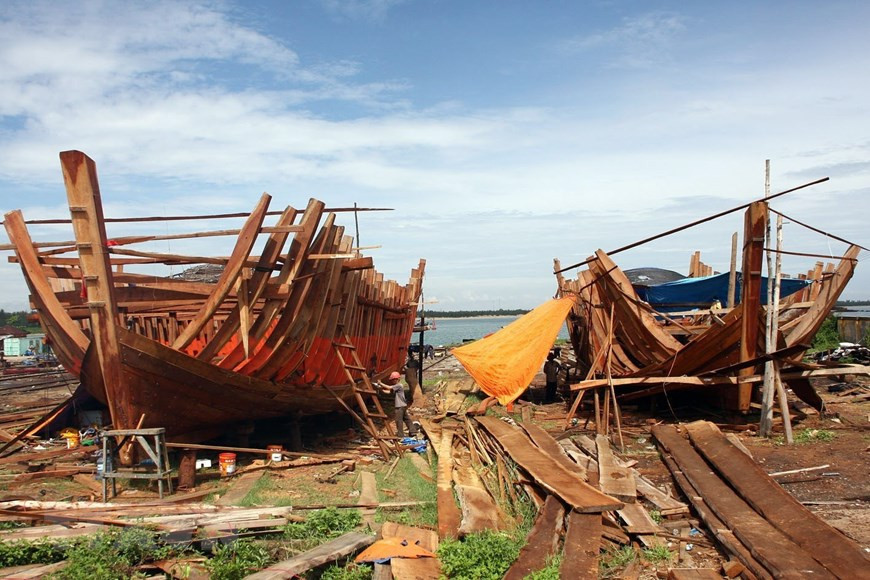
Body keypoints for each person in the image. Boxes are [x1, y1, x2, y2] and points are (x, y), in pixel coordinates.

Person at [379, 371, 418, 438]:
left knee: (398, 420)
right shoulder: (397, 387)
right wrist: (380, 389)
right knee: (406, 419)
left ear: (397, 379)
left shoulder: (399, 385)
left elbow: (389, 388)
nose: (392, 382)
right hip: (403, 405)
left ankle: (400, 435)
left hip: (399, 406)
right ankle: (413, 431)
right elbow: (389, 392)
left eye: (393, 380)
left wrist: (380, 383)